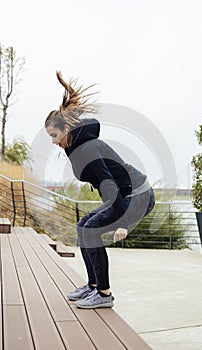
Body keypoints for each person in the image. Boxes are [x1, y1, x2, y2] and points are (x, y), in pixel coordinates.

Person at [45, 71, 155, 309]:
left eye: (54, 135)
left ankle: (104, 294)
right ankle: (93, 285)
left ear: (66, 129)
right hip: (125, 193)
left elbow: (110, 185)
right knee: (83, 226)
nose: (54, 141)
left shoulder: (88, 149)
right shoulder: (77, 147)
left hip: (138, 195)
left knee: (91, 230)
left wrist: (125, 221)